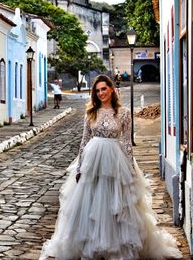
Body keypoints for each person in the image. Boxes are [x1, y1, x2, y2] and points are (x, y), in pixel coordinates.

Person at [40, 74, 182, 260]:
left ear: (111, 89)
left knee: (117, 203)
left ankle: (115, 246)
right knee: (90, 203)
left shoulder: (123, 112)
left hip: (115, 160)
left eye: (104, 89)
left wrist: (131, 168)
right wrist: (80, 166)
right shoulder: (90, 112)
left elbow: (127, 142)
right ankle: (91, 245)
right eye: (97, 90)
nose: (101, 93)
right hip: (93, 161)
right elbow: (84, 141)